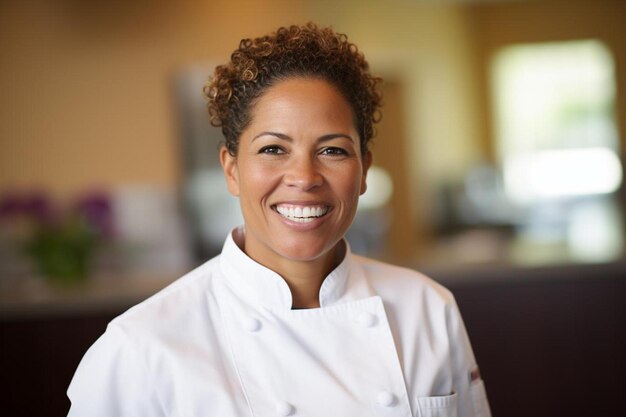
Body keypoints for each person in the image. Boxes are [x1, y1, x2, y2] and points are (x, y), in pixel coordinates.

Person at [67, 23, 491, 417]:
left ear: (363, 170)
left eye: (333, 150)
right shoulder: (141, 348)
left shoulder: (428, 309)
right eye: (273, 149)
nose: (304, 178)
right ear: (232, 170)